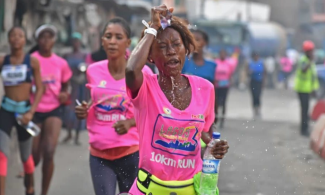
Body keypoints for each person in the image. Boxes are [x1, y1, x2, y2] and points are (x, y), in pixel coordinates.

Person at [125, 5, 229, 195]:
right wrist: (152, 29)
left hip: (190, 189)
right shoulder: (145, 88)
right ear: (150, 56)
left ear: (186, 49)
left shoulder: (205, 88)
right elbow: (131, 70)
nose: (171, 51)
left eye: (176, 45)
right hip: (149, 189)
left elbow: (205, 131)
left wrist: (215, 145)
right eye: (162, 47)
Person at [75, 17, 152, 195]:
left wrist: (130, 123)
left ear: (128, 42)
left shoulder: (142, 73)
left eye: (118, 37)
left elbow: (150, 109)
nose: (112, 41)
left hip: (132, 153)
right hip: (99, 153)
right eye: (108, 36)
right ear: (102, 41)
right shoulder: (93, 71)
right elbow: (93, 102)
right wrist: (83, 110)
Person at [29, 24, 72, 195]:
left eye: (50, 37)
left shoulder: (60, 63)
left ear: (54, 41)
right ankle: (29, 187)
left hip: (54, 109)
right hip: (33, 109)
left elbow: (66, 85)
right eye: (43, 37)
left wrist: (64, 93)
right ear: (38, 40)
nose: (46, 40)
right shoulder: (31, 59)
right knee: (34, 156)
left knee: (49, 151)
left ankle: (43, 192)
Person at [0, 26, 43, 195]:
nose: (16, 38)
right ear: (8, 39)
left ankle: (29, 188)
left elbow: (40, 89)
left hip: (24, 112)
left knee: (26, 158)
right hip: (5, 110)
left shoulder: (32, 61)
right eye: (13, 35)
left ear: (25, 40)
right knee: (2, 154)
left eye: (20, 35)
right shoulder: (3, 61)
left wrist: (31, 112)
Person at [62, 32, 87, 145]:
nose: (76, 43)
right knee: (68, 109)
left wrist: (81, 77)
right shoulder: (67, 55)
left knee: (79, 108)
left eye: (77, 41)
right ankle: (69, 133)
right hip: (69, 84)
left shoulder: (84, 55)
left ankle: (77, 136)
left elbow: (86, 69)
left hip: (80, 85)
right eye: (74, 41)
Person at [294, 41, 319, 136]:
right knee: (304, 110)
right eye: (311, 51)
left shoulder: (309, 61)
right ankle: (304, 130)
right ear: (307, 51)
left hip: (307, 89)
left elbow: (312, 77)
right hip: (302, 89)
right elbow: (304, 70)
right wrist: (310, 61)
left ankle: (305, 128)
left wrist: (313, 89)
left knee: (306, 110)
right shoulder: (304, 60)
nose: (313, 53)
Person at [215, 50, 235, 129]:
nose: (222, 55)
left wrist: (230, 82)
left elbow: (230, 74)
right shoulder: (215, 62)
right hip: (216, 85)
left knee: (223, 103)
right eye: (221, 54)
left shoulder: (229, 64)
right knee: (216, 103)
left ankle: (222, 120)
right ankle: (215, 119)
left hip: (225, 86)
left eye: (224, 54)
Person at [246, 52, 266, 119]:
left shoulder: (261, 63)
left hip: (259, 82)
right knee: (254, 96)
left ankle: (259, 109)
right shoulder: (250, 63)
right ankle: (254, 110)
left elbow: (264, 72)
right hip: (253, 81)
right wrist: (249, 72)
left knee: (258, 96)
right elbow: (247, 72)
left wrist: (264, 81)